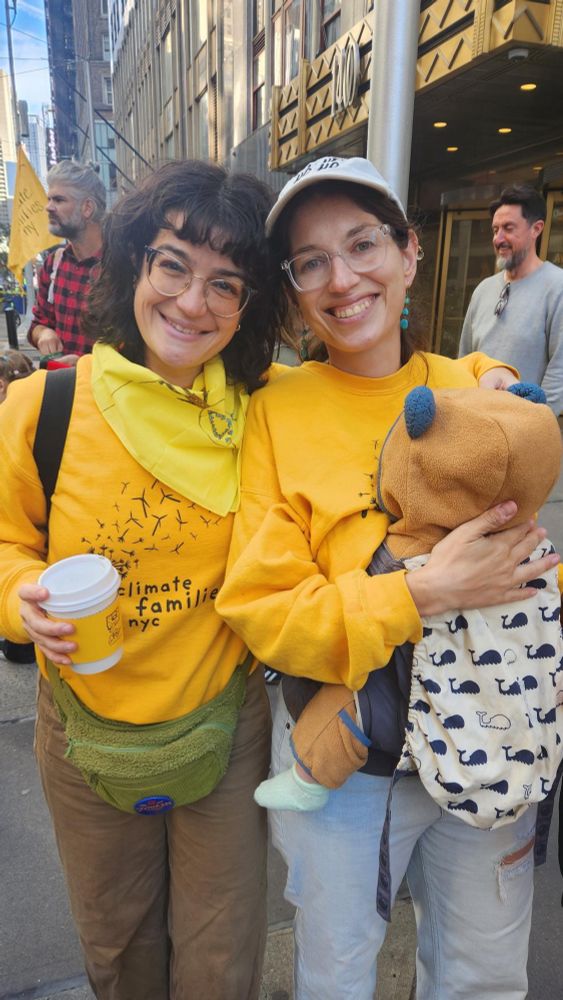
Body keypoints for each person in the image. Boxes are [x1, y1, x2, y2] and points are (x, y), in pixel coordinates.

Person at [217, 155, 561, 1000]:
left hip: (490, 740)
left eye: (362, 243)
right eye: (311, 261)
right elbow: (265, 611)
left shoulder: (475, 390)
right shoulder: (274, 409)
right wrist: (420, 592)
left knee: (483, 976)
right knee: (333, 972)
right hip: (348, 766)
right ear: (294, 288)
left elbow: (530, 555)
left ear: (410, 253)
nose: (343, 278)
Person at [0, 159, 283, 1000]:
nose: (193, 303)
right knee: (117, 946)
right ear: (133, 264)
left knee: (221, 952)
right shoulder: (45, 408)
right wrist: (18, 597)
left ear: (249, 305)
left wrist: (485, 375)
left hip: (225, 729)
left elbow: (400, 384)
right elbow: (5, 541)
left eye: (226, 284)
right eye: (173, 266)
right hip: (85, 732)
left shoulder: (269, 409)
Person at [458, 184, 563, 417]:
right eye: (495, 230)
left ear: (536, 229)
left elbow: (559, 375)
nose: (498, 239)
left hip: (525, 437)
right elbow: (465, 361)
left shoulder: (557, 287)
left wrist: (532, 428)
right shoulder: (483, 290)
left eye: (508, 228)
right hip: (477, 429)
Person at [27, 160, 106, 364]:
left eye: (59, 200)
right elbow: (38, 323)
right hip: (61, 389)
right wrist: (44, 334)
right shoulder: (54, 264)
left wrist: (83, 365)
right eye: (49, 199)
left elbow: (138, 346)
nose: (48, 207)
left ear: (87, 207)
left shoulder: (122, 267)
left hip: (105, 391)